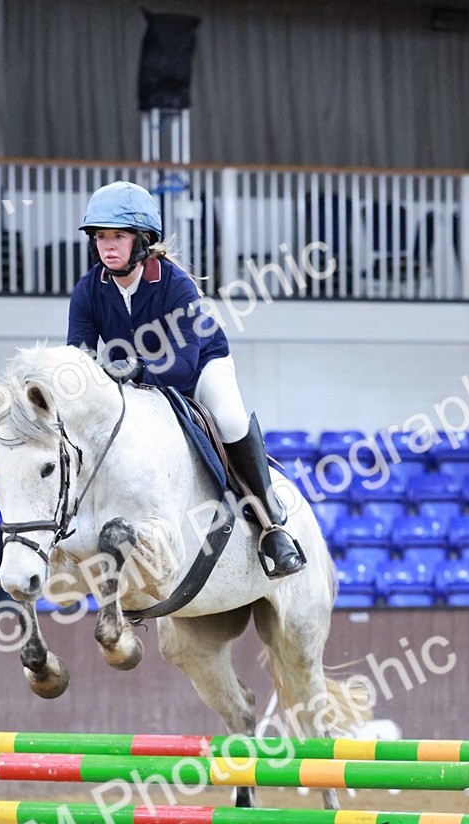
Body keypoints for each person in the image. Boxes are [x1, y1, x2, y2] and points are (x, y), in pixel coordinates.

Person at [67, 179, 305, 579]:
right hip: (135, 380)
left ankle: (272, 525)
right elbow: (78, 355)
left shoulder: (175, 285)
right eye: (100, 236)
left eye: (118, 236)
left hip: (200, 366)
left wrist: (136, 369)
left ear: (142, 240)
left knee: (228, 418)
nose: (107, 245)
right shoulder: (89, 290)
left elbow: (184, 365)